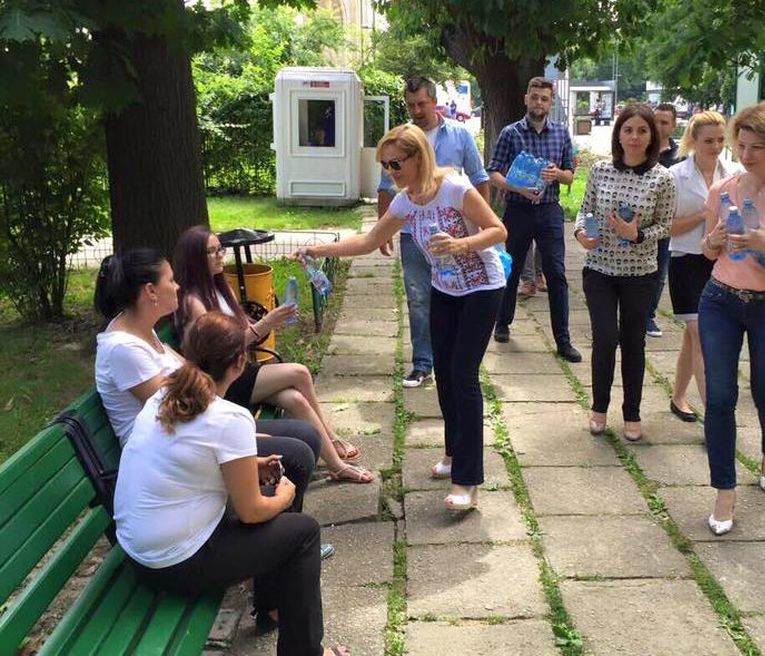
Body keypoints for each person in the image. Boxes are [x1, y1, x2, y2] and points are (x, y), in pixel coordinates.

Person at [113, 312, 350, 656]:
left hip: (140, 552)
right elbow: (252, 511)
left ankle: (274, 605)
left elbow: (189, 456)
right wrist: (284, 497)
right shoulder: (229, 417)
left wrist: (252, 465)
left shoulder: (164, 396)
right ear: (240, 363)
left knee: (284, 477)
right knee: (304, 533)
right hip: (176, 562)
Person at [299, 124, 506, 511]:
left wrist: (461, 243)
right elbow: (369, 240)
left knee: (463, 375)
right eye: (385, 165)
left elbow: (498, 230)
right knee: (444, 373)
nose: (390, 172)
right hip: (445, 291)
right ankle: (453, 454)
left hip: (482, 288)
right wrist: (318, 249)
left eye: (396, 164)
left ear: (419, 157)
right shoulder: (405, 201)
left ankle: (467, 480)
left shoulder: (455, 189)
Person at [172, 226, 374, 485]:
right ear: (194, 259)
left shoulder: (222, 288)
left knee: (296, 399)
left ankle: (336, 465)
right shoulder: (193, 301)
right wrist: (265, 324)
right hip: (221, 380)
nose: (220, 255)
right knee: (299, 372)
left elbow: (241, 332)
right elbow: (217, 350)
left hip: (238, 369)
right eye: (211, 252)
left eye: (220, 249)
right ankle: (333, 442)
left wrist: (270, 321)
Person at [698, 99, 765, 536]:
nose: (746, 154)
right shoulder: (724, 190)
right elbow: (707, 250)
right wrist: (714, 240)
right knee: (720, 396)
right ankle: (724, 490)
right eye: (741, 145)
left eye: (757, 147)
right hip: (721, 299)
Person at [377, 75, 490, 388]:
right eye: (410, 105)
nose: (416, 110)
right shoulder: (399, 140)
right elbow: (385, 187)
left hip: (454, 235)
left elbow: (479, 178)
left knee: (457, 295)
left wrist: (481, 225)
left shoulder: (459, 135)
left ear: (434, 102)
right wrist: (382, 229)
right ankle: (423, 363)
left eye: (421, 104)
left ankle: (457, 361)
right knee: (418, 297)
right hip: (412, 233)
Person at [574, 103, 676, 441]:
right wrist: (581, 233)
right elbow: (585, 210)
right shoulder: (601, 170)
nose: (634, 137)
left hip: (640, 274)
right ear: (618, 134)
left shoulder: (662, 178)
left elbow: (666, 225)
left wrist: (639, 235)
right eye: (628, 130)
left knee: (633, 342)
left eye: (642, 131)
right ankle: (599, 407)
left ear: (652, 136)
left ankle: (632, 412)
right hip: (600, 269)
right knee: (605, 338)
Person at [487, 76, 582, 362]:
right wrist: (516, 187)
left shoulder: (561, 133)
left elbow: (570, 176)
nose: (539, 102)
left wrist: (558, 174)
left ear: (551, 103)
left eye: (544, 98)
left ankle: (563, 340)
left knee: (557, 273)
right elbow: (493, 172)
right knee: (511, 269)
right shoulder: (510, 133)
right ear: (526, 99)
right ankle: (502, 323)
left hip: (550, 210)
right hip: (518, 210)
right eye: (535, 97)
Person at [667, 112, 741, 422]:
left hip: (721, 262)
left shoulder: (735, 172)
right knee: (702, 336)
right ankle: (715, 418)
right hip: (686, 260)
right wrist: (704, 214)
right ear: (693, 140)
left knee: (693, 337)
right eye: (709, 140)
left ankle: (678, 397)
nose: (716, 146)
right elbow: (667, 227)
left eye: (721, 140)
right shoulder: (674, 175)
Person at [647, 103, 684, 338]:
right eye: (655, 121)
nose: (659, 126)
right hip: (639, 221)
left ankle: (648, 315)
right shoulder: (642, 148)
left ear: (673, 125)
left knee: (660, 271)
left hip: (666, 223)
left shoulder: (680, 156)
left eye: (664, 122)